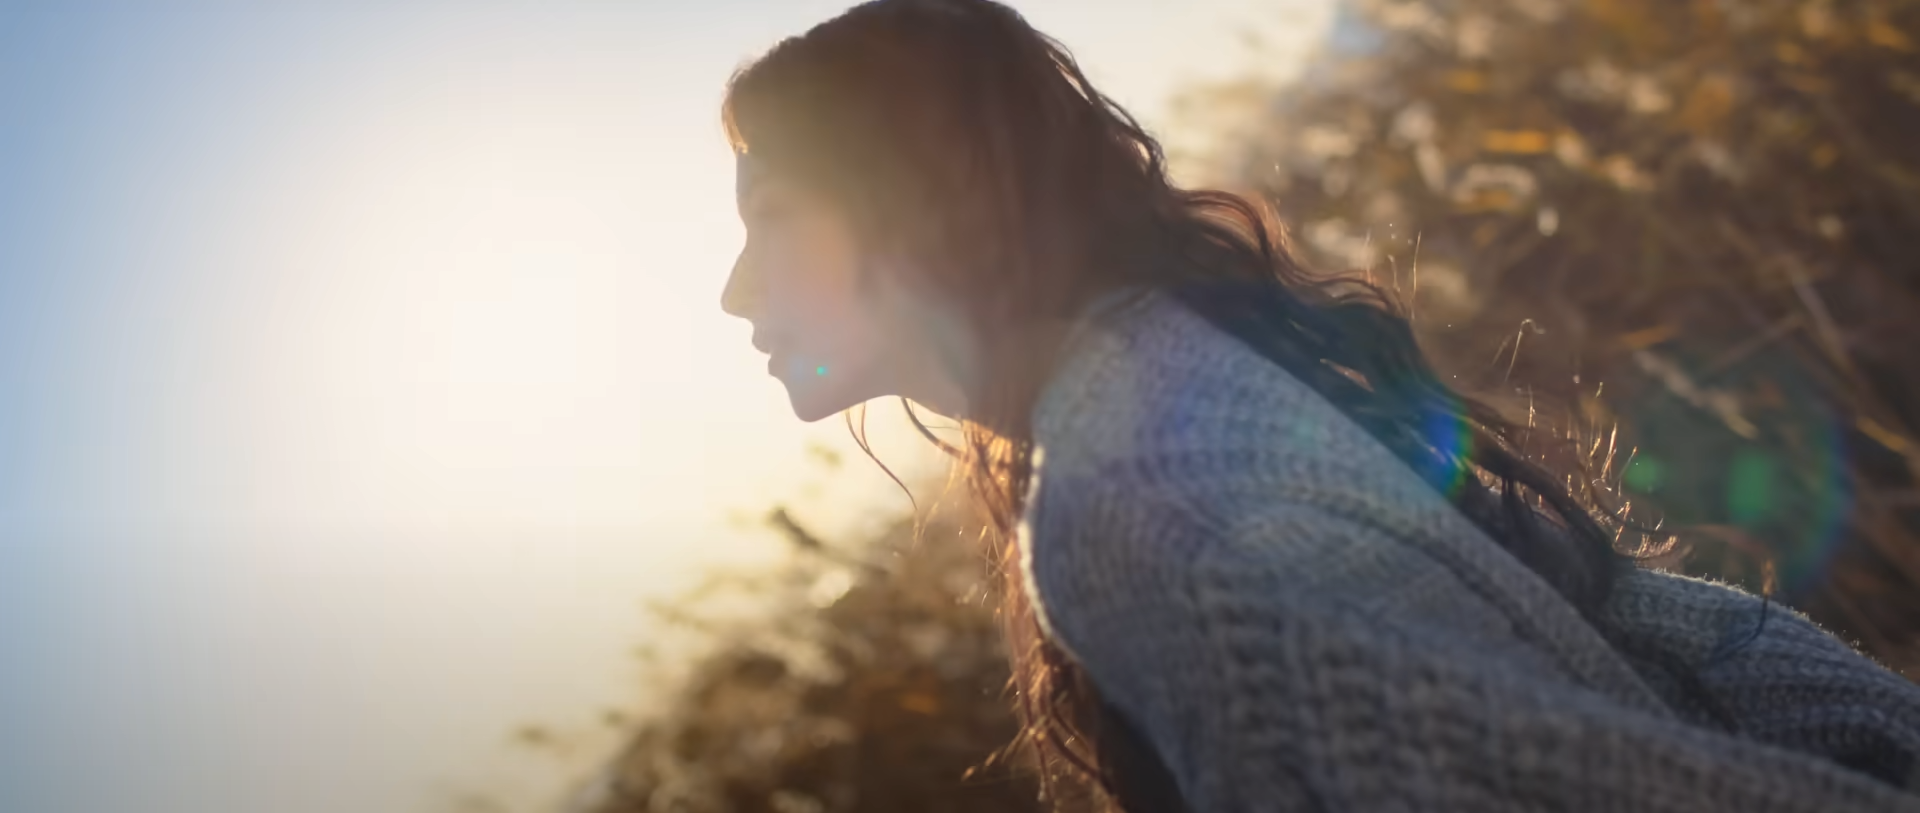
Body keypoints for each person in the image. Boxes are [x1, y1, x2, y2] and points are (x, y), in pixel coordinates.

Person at [715, 0, 1920, 810]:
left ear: (920, 203)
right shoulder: (1178, 363)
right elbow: (1631, 631)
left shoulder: (1138, 515)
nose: (735, 292)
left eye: (773, 220)